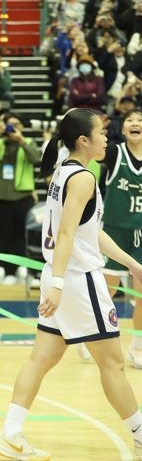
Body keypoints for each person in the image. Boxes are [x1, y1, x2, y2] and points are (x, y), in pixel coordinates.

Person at [0, 108, 142, 460]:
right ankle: (140, 433)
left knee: (41, 359)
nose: (108, 138)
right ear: (83, 140)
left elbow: (91, 231)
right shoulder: (83, 178)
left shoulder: (65, 171)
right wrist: (60, 284)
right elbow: (65, 234)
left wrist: (133, 264)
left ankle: (10, 434)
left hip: (60, 276)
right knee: (113, 364)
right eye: (102, 133)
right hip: (76, 280)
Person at [100, 109, 142, 367]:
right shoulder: (115, 154)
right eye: (130, 120)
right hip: (115, 233)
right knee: (107, 292)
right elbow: (89, 150)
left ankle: (137, 346)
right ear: (123, 128)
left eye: (140, 120)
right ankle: (90, 335)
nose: (135, 123)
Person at [0, 113, 41, 283]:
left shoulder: (28, 142)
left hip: (22, 195)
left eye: (16, 124)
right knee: (3, 233)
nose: (12, 128)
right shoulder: (0, 142)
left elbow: (36, 158)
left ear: (22, 127)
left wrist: (21, 140)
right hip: (0, 194)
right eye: (9, 124)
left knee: (22, 233)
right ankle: (6, 269)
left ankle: (23, 267)